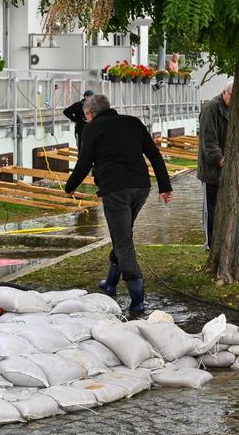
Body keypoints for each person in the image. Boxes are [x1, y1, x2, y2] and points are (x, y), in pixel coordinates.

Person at [64, 94, 173, 318]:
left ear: (91, 114)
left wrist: (69, 187)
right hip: (141, 188)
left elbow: (84, 163)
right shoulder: (133, 122)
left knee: (123, 241)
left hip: (116, 191)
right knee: (121, 233)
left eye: (86, 115)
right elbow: (154, 154)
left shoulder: (92, 129)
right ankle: (111, 283)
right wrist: (164, 186)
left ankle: (137, 299)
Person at [198, 82, 232, 251]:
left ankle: (224, 243)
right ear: (225, 92)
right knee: (210, 211)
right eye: (233, 97)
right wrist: (221, 161)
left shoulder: (233, 108)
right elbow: (209, 143)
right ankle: (210, 245)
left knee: (226, 209)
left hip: (228, 170)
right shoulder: (210, 108)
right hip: (212, 171)